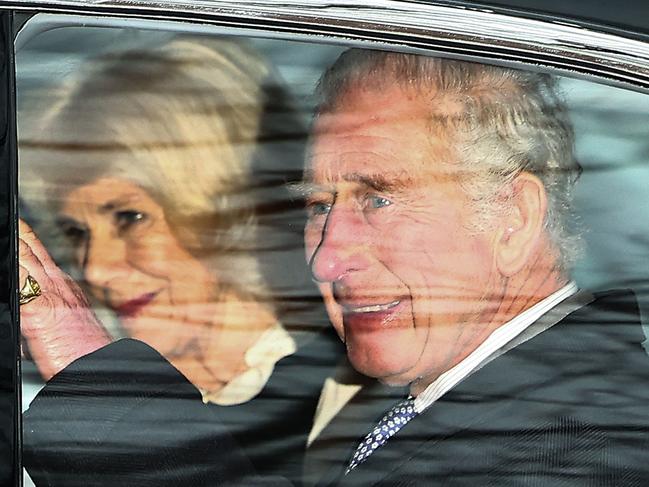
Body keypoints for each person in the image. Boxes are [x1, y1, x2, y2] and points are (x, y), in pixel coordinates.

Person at [19, 48, 649, 486]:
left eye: (379, 197)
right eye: (319, 206)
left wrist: (87, 369)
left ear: (511, 216)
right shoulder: (471, 407)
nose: (325, 257)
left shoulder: (577, 446)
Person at [19, 35, 340, 485]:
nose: (95, 269)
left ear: (227, 207)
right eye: (78, 233)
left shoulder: (343, 415)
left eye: (131, 217)